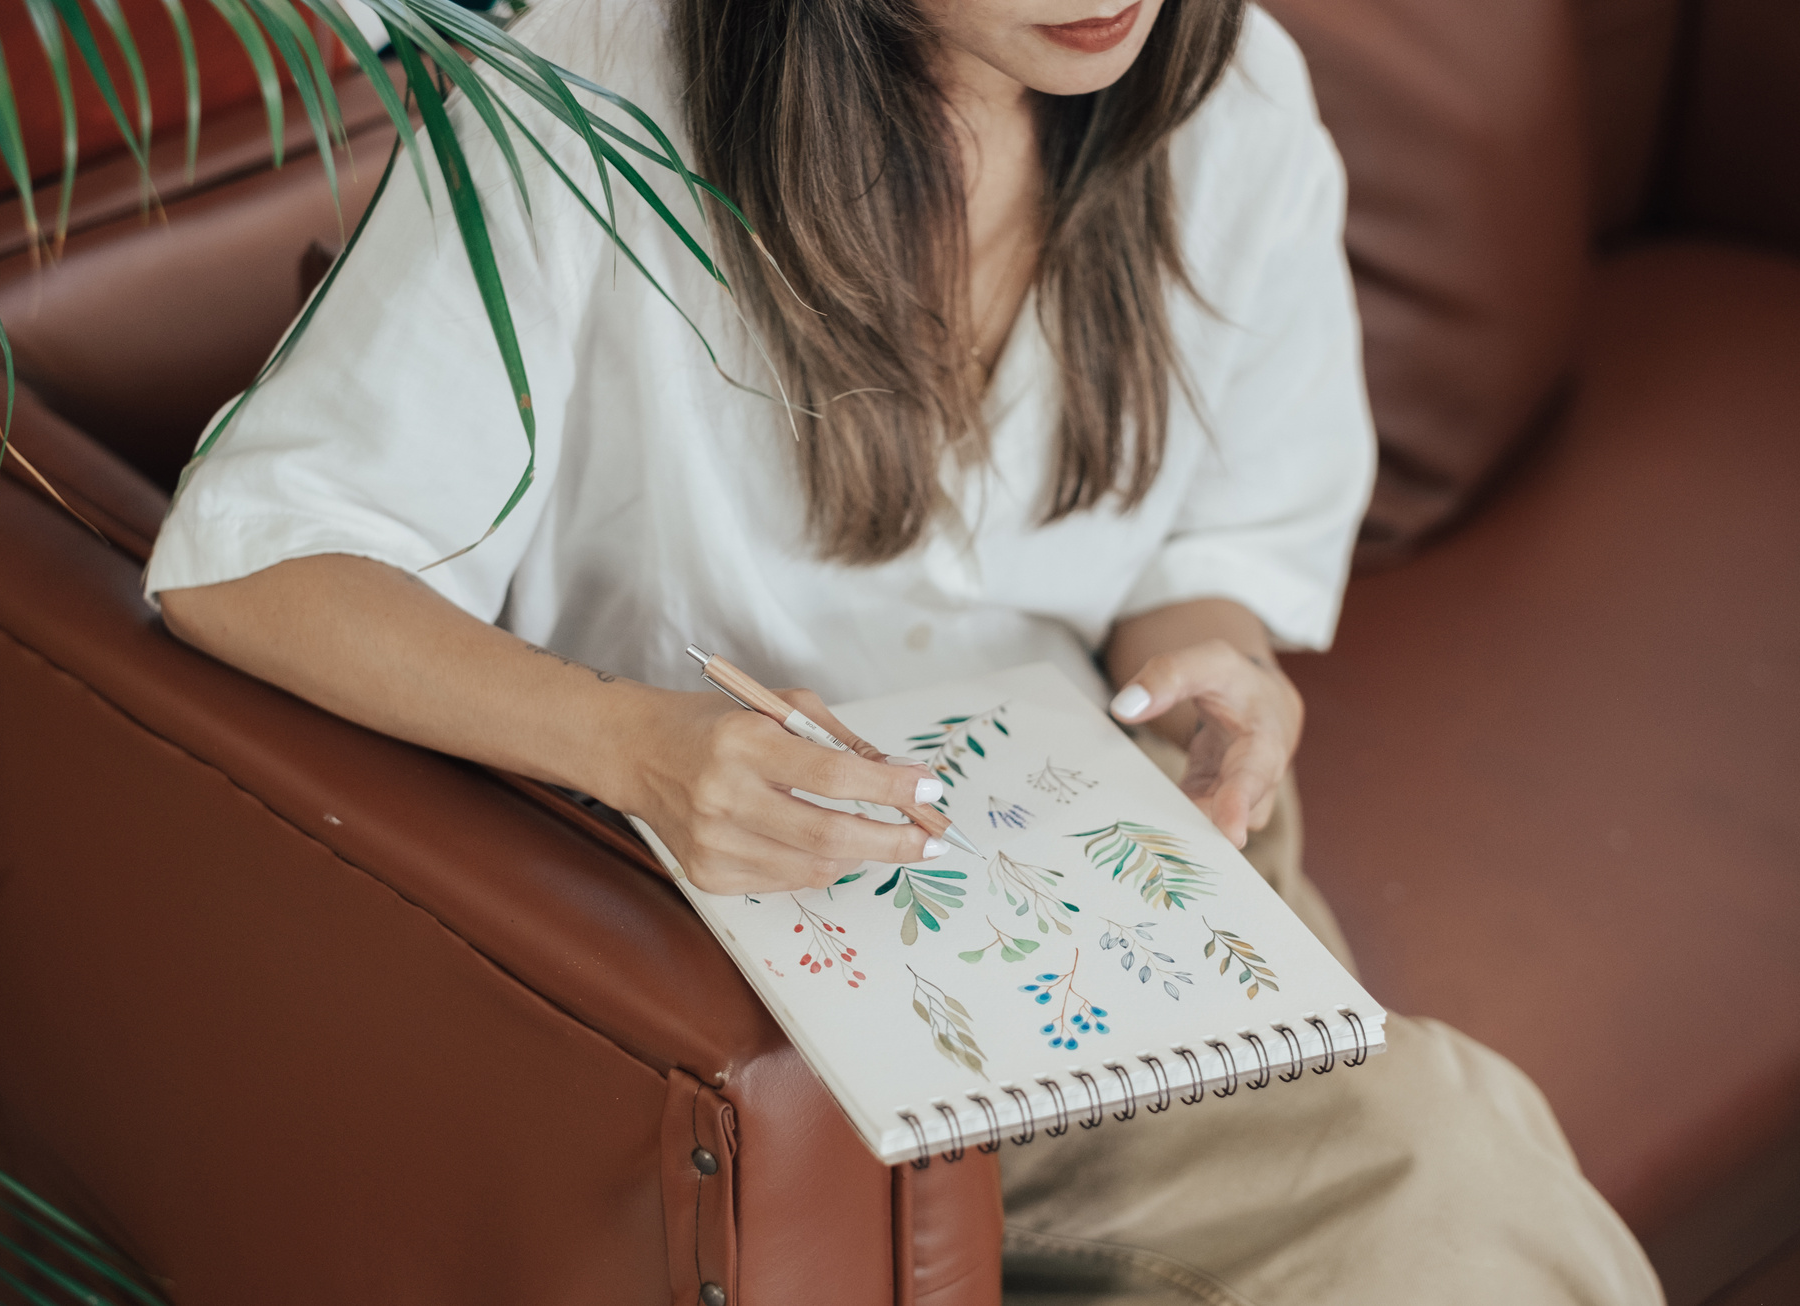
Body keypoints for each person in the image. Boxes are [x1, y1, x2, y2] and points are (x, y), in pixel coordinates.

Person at [147, 0, 1663, 1300]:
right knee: (1444, 1163)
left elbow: (1209, 555)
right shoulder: (589, 89)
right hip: (752, 933)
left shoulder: (1230, 91)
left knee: (1440, 1171)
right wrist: (634, 744)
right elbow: (253, 558)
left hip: (1098, 843)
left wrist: (1214, 664)